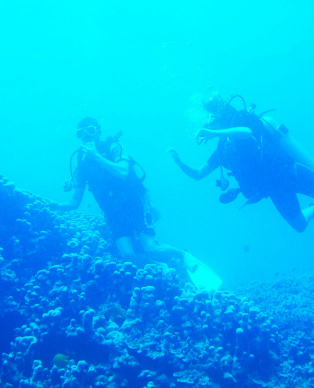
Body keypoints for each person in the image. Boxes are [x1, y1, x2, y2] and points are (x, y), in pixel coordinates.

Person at [169, 94, 314, 269]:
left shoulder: (245, 119)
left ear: (219, 116)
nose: (208, 122)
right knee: (300, 226)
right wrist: (179, 162)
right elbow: (199, 173)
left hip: (291, 173)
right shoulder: (224, 149)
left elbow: (247, 132)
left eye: (211, 118)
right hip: (274, 190)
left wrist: (215, 133)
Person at [50, 117, 222, 289]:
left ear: (99, 131)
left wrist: (96, 156)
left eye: (91, 131)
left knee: (151, 249)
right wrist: (54, 207)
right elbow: (74, 201)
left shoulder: (114, 146)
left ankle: (183, 254)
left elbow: (123, 172)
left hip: (135, 205)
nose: (86, 136)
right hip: (113, 213)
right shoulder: (81, 163)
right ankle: (163, 268)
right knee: (128, 257)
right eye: (81, 134)